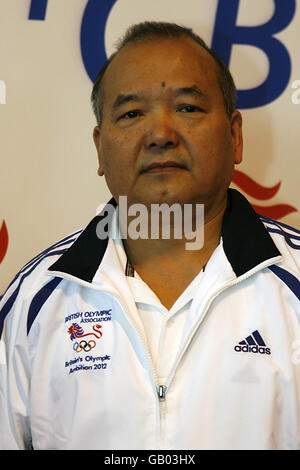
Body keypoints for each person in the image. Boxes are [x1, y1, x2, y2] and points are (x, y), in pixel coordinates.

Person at [0, 21, 299, 450]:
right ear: (100, 148)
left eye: (188, 108)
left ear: (235, 135)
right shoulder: (35, 301)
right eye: (132, 114)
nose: (161, 135)